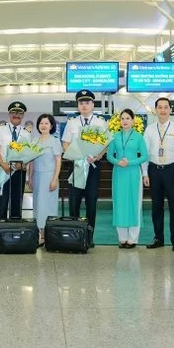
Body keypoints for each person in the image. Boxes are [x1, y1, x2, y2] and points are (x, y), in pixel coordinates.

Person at [61, 89, 108, 246]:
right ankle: (75, 236)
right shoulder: (72, 122)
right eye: (81, 103)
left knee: (91, 203)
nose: (84, 105)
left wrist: (98, 155)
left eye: (87, 102)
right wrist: (74, 154)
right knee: (74, 202)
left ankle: (89, 237)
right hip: (76, 167)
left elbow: (106, 144)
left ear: (93, 104)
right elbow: (65, 143)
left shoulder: (101, 123)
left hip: (93, 167)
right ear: (78, 105)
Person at [142, 97, 174, 252]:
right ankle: (158, 238)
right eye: (160, 107)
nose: (163, 110)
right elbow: (145, 153)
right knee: (156, 206)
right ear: (155, 110)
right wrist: (145, 173)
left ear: (170, 109)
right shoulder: (149, 129)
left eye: (165, 107)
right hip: (154, 170)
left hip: (171, 170)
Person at [106, 109, 149, 248]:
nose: (125, 121)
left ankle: (133, 239)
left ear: (133, 121)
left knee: (134, 204)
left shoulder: (138, 137)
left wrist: (130, 162)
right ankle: (122, 238)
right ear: (119, 121)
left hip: (133, 173)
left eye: (128, 118)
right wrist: (117, 161)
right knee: (120, 204)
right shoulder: (114, 136)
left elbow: (145, 156)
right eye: (122, 118)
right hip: (119, 173)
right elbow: (109, 156)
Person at [0, 101, 31, 219]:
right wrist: (3, 164)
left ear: (23, 115)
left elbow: (28, 153)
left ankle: (15, 226)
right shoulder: (1, 129)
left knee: (17, 201)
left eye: (19, 113)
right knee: (2, 201)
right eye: (14, 112)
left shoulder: (26, 133)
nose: (16, 115)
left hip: (19, 171)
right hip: (3, 169)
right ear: (9, 114)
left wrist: (23, 164)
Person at [28, 114, 62, 245]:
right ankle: (39, 233)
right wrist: (30, 177)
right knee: (38, 206)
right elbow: (31, 161)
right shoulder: (34, 141)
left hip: (49, 177)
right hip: (37, 177)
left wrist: (55, 179)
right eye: (41, 123)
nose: (43, 125)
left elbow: (58, 161)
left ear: (51, 126)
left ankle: (48, 234)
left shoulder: (55, 141)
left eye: (46, 123)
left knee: (49, 206)